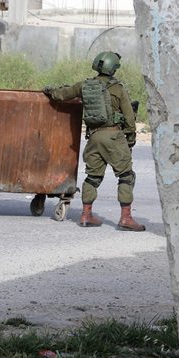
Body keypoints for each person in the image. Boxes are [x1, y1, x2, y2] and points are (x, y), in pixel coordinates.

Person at [43, 51, 145, 231]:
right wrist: (130, 139)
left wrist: (50, 91)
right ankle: (126, 218)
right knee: (126, 176)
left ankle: (86, 215)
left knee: (93, 177)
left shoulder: (85, 85)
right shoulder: (118, 88)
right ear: (113, 68)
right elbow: (129, 119)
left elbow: (61, 95)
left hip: (94, 138)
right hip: (113, 136)